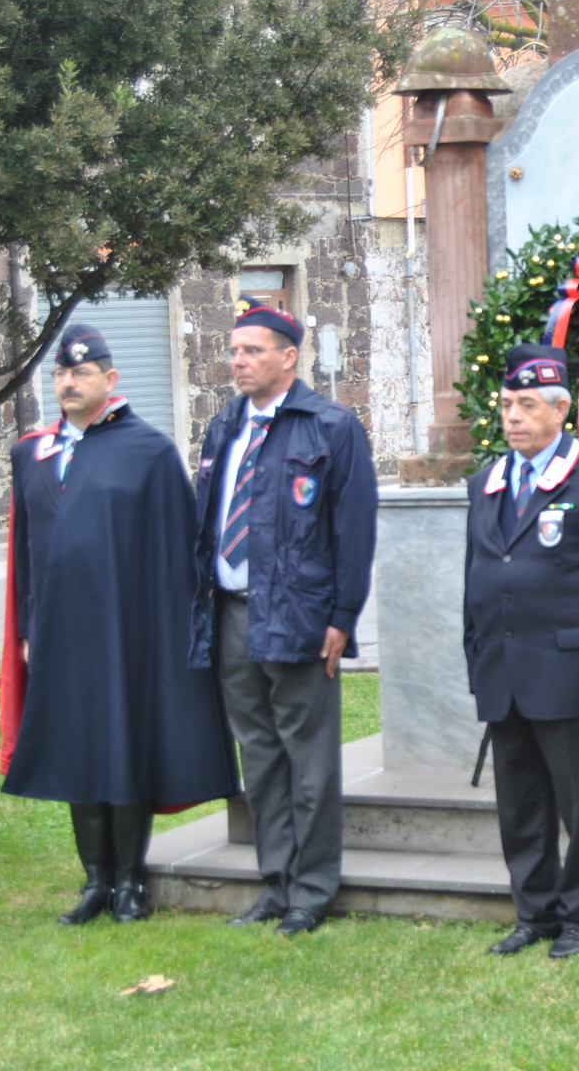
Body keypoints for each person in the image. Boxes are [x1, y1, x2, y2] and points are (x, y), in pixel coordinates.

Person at [0, 324, 238, 925]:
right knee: (76, 748)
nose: (68, 383)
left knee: (125, 746)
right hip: (58, 630)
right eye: (61, 373)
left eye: (81, 373)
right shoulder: (31, 454)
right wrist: (26, 627)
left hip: (126, 629)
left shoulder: (147, 451)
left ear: (109, 378)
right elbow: (25, 550)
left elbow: (175, 551)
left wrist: (176, 630)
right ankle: (95, 882)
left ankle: (131, 882)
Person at [190, 304, 378, 938]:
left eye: (253, 350)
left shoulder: (331, 427)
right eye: (234, 351)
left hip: (301, 615)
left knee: (309, 759)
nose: (238, 361)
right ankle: (275, 883)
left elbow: (353, 532)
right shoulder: (225, 427)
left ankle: (312, 892)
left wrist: (342, 616)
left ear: (289, 356)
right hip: (232, 614)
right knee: (260, 757)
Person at [464, 344, 579, 959]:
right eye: (506, 405)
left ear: (561, 408)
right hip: (504, 671)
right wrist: (477, 658)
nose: (513, 416)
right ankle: (534, 912)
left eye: (527, 405)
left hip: (573, 673)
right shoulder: (486, 482)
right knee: (520, 806)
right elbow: (476, 577)